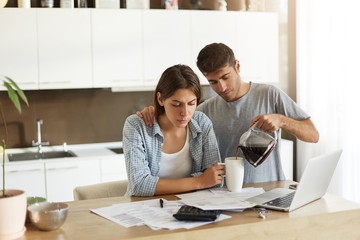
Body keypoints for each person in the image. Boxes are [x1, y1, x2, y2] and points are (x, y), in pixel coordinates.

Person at [137, 43, 319, 185]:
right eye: (213, 82)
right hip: (226, 198)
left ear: (237, 66)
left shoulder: (269, 94)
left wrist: (282, 121)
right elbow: (176, 116)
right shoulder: (205, 110)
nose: (221, 88)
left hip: (270, 192)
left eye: (225, 77)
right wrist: (155, 111)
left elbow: (313, 135)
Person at [123, 64, 224, 197]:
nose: (185, 113)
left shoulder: (202, 123)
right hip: (145, 209)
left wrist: (155, 185)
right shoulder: (136, 126)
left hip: (190, 208)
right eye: (176, 104)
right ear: (160, 99)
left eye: (191, 103)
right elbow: (139, 185)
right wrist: (199, 182)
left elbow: (215, 179)